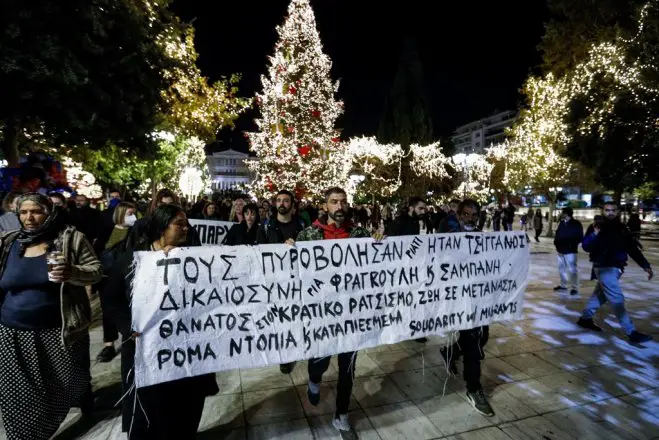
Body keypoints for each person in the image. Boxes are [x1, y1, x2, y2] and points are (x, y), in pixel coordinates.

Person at [102, 204, 218, 439]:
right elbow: (111, 299)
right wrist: (127, 327)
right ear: (161, 227)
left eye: (186, 223)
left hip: (187, 352)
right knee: (147, 418)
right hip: (145, 352)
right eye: (179, 224)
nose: (186, 228)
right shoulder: (133, 260)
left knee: (186, 414)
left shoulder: (194, 257)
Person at [0, 193, 102, 440]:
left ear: (49, 213)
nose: (29, 217)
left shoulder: (70, 239)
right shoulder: (10, 242)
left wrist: (72, 272)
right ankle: (26, 435)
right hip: (11, 332)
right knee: (17, 393)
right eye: (23, 212)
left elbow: (96, 271)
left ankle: (78, 401)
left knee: (65, 384)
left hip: (57, 331)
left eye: (36, 211)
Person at [297, 187, 372, 440]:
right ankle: (314, 379)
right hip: (322, 313)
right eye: (334, 202)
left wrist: (381, 246)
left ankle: (341, 417)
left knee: (347, 368)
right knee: (320, 359)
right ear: (325, 206)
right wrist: (288, 249)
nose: (339, 206)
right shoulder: (309, 235)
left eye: (343, 202)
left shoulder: (360, 234)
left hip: (351, 314)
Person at [439, 199, 495, 417]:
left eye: (474, 215)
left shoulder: (481, 236)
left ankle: (450, 351)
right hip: (458, 300)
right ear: (458, 215)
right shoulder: (448, 239)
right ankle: (474, 388)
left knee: (482, 337)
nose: (470, 219)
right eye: (466, 214)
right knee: (473, 345)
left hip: (479, 299)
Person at [577, 202, 654, 344]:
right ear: (603, 211)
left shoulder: (622, 228)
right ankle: (631, 332)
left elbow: (632, 249)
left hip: (617, 268)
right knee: (617, 298)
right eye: (607, 210)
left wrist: (645, 265)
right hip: (603, 268)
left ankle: (585, 319)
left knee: (599, 296)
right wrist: (594, 234)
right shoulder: (595, 227)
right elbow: (586, 247)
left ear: (618, 211)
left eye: (613, 210)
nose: (610, 213)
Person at [256, 190, 305, 374]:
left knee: (293, 317)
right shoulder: (266, 226)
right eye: (278, 200)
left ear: (292, 204)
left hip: (296, 280)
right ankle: (284, 355)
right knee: (279, 319)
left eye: (286, 200)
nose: (282, 203)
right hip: (275, 281)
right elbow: (259, 251)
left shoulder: (301, 226)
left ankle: (291, 352)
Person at [94, 202, 137, 362]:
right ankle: (108, 345)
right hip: (107, 276)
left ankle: (129, 338)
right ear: (120, 214)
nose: (132, 217)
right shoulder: (107, 230)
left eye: (134, 214)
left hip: (127, 277)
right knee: (108, 311)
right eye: (129, 214)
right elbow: (98, 251)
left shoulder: (136, 232)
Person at [386, 196, 429, 343]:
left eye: (424, 208)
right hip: (400, 269)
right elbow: (390, 243)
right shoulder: (399, 222)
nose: (424, 211)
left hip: (411, 267)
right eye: (420, 208)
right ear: (411, 208)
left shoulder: (414, 221)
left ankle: (414, 329)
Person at [553, 207, 584, 296]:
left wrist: (571, 244)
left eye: (562, 212)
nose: (561, 214)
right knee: (561, 269)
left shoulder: (576, 224)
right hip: (560, 250)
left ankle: (574, 287)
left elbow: (579, 237)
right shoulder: (562, 223)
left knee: (572, 269)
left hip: (570, 251)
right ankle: (563, 285)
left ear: (566, 213)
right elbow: (558, 234)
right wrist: (556, 243)